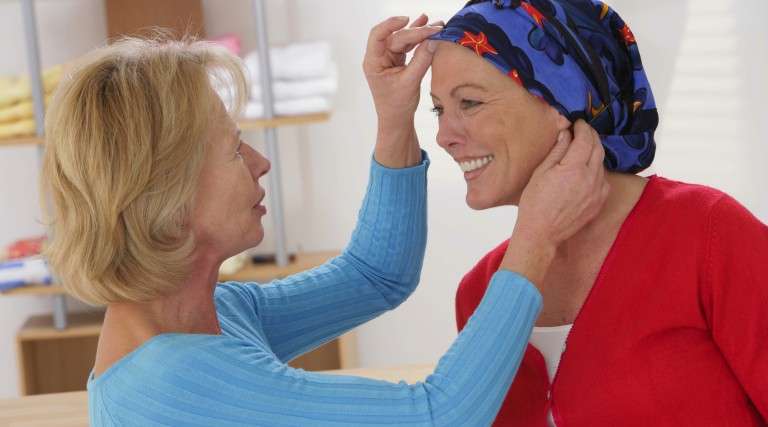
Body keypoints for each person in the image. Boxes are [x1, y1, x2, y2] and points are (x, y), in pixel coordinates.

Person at [39, 16, 607, 427]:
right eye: (236, 151)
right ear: (167, 190)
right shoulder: (169, 381)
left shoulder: (214, 316)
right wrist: (535, 239)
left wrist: (393, 118)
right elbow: (441, 416)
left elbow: (375, 276)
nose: (261, 164)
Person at [423, 0, 768, 425]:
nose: (443, 136)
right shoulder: (481, 292)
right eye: (439, 109)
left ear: (561, 100)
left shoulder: (711, 235)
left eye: (470, 103)